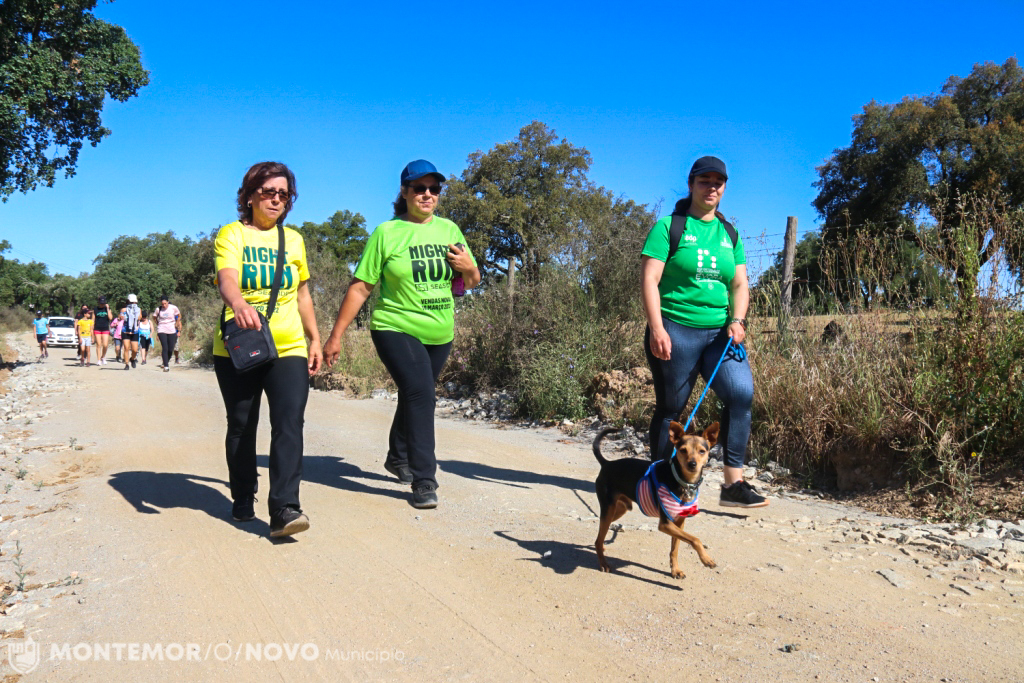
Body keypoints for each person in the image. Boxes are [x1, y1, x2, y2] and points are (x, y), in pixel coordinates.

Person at [324, 160, 480, 510]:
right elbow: (361, 287)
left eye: (434, 189)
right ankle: (424, 479)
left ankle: (398, 456)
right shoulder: (387, 233)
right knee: (422, 394)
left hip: (440, 332)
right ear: (405, 192)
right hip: (394, 326)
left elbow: (469, 282)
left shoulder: (450, 229)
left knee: (414, 393)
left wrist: (470, 268)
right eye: (419, 188)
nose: (427, 195)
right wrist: (336, 335)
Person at [640, 156, 767, 508]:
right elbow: (649, 279)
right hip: (675, 329)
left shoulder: (730, 234)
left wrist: (738, 320)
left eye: (718, 182)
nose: (711, 187)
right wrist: (656, 328)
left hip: (720, 335)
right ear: (691, 184)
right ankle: (660, 484)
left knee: (740, 394)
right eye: (704, 181)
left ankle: (733, 486)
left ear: (724, 187)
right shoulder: (669, 227)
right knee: (672, 407)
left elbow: (739, 284)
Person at [213, 161, 322, 538]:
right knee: (242, 424)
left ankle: (285, 508)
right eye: (268, 192)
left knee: (289, 422)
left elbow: (303, 294)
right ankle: (243, 493)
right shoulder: (232, 234)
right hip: (241, 345)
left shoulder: (293, 240)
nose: (276, 199)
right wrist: (239, 303)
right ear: (249, 196)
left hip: (288, 345)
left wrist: (314, 338)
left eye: (283, 194)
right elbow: (227, 279)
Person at [153, 295, 181, 372]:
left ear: (168, 302)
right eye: (162, 304)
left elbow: (179, 316)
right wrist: (158, 324)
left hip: (171, 329)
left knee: (170, 349)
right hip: (162, 329)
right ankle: (166, 366)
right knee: (165, 347)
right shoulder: (158, 309)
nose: (164, 305)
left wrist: (177, 323)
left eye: (165, 303)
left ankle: (166, 362)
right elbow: (154, 317)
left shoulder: (173, 308)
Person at [120, 294, 143, 370]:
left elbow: (140, 317)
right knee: (126, 348)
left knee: (134, 349)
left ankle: (132, 359)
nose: (133, 304)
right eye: (131, 302)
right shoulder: (124, 310)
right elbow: (120, 317)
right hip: (125, 330)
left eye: (134, 302)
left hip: (134, 331)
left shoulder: (138, 309)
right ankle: (126, 364)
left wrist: (136, 315)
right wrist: (122, 316)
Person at [93, 296, 112, 365]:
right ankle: (98, 360)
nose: (102, 304)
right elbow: (93, 320)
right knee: (98, 344)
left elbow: (110, 318)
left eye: (103, 303)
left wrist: (108, 309)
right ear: (99, 302)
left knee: (105, 344)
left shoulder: (107, 309)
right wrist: (92, 329)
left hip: (105, 328)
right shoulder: (95, 309)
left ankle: (103, 357)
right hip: (97, 328)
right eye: (101, 303)